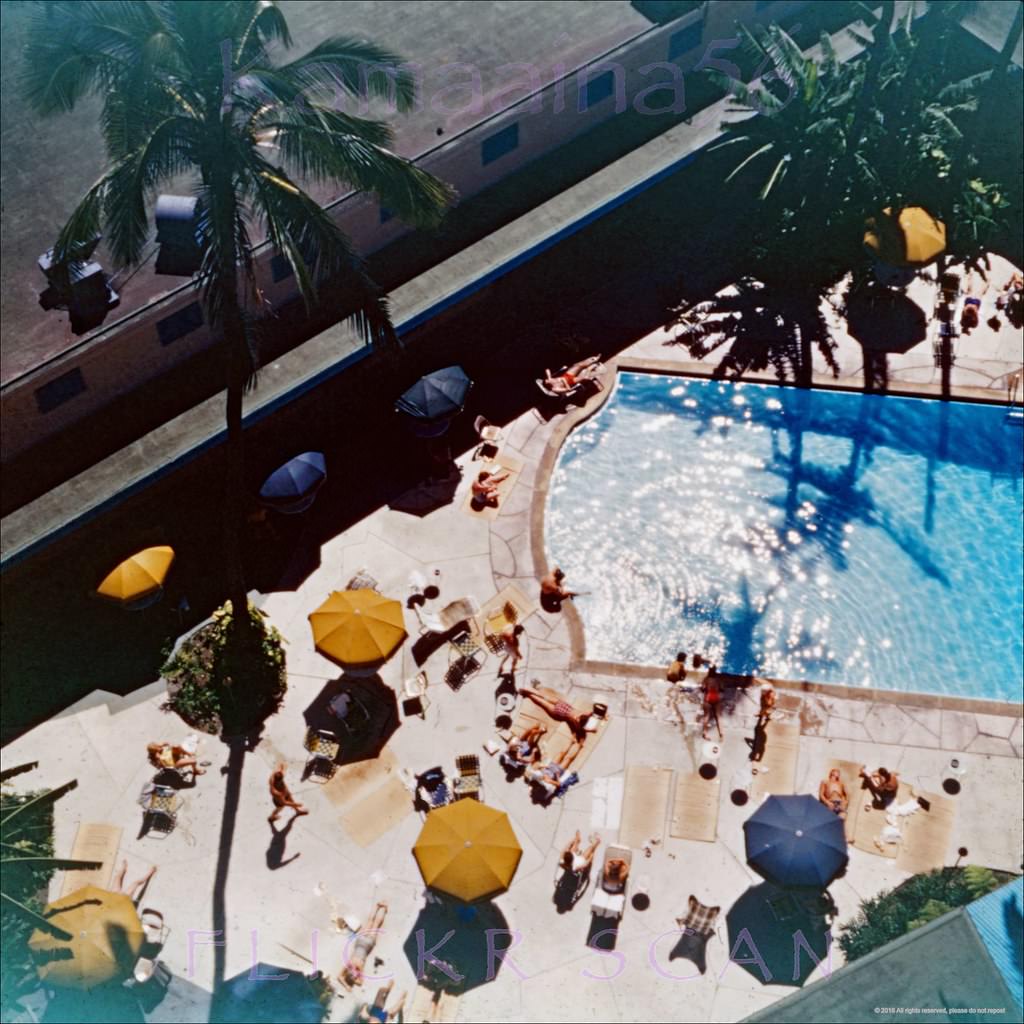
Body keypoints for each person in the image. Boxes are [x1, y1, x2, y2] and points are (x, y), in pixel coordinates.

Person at [339, 901, 389, 989]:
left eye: (354, 977)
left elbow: (360, 983)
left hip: (368, 945)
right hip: (360, 942)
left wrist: (348, 986)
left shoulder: (359, 968)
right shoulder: (348, 965)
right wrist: (345, 983)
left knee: (376, 924)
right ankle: (377, 906)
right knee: (370, 921)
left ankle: (384, 909)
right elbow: (339, 977)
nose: (356, 977)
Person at [518, 687, 590, 736]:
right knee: (542, 699)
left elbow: (588, 715)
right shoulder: (578, 721)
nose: (576, 718)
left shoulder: (579, 718)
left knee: (542, 700)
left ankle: (528, 693)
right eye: (578, 718)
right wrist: (589, 729)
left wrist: (589, 727)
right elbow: (577, 729)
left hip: (560, 710)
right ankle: (527, 693)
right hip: (560, 709)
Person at [701, 667, 723, 741]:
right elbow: (722, 688)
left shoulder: (706, 679)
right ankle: (721, 733)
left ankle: (705, 733)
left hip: (708, 697)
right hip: (716, 697)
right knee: (718, 717)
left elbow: (703, 688)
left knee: (706, 716)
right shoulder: (718, 679)